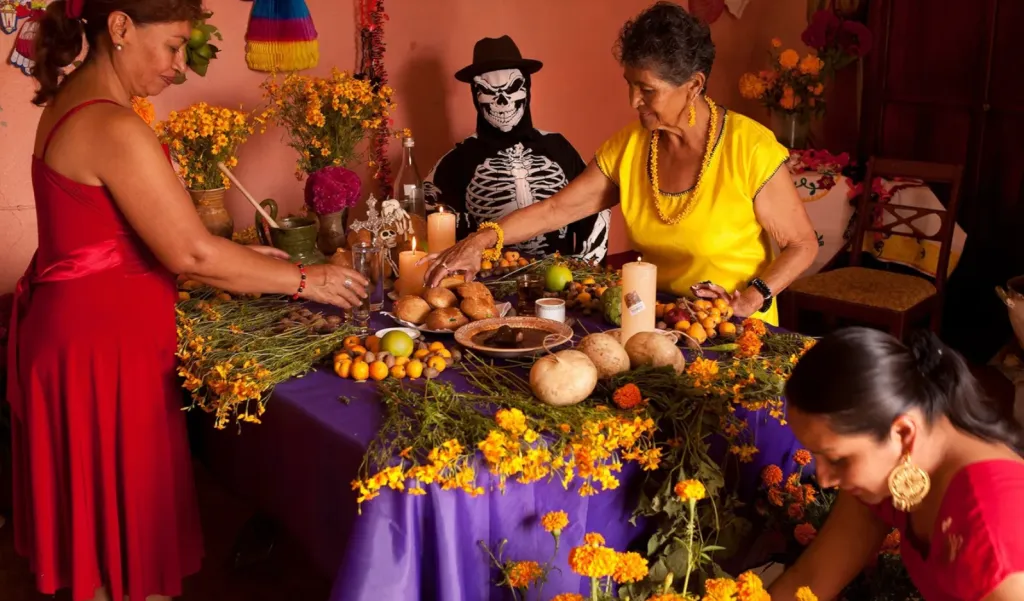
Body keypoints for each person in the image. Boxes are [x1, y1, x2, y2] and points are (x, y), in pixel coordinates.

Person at [8, 1, 367, 600]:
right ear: (120, 27)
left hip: (77, 337)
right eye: (174, 45)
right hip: (102, 355)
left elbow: (114, 239)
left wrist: (246, 263)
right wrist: (309, 280)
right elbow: (192, 253)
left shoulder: (73, 103)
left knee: (103, 544)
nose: (179, 66)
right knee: (125, 550)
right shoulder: (113, 125)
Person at [423, 2, 817, 325]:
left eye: (647, 89)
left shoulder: (749, 147)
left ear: (694, 85)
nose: (633, 101)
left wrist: (750, 299)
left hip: (734, 329)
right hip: (660, 321)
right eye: (629, 84)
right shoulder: (630, 147)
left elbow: (801, 244)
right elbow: (556, 209)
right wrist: (479, 241)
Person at [769, 327, 1024, 601]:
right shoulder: (892, 467)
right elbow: (812, 578)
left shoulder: (991, 534)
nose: (824, 479)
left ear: (903, 433)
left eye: (837, 459)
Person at [423, 35, 610, 262]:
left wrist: (586, 268)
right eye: (488, 91)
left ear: (527, 87)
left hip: (558, 276)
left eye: (512, 88)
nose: (502, 101)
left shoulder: (558, 147)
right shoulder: (456, 160)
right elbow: (430, 217)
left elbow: (593, 203)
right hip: (489, 277)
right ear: (475, 95)